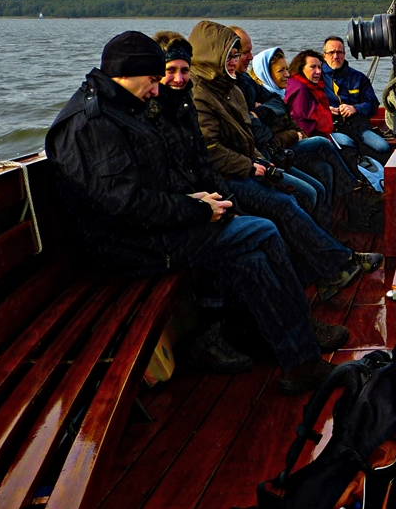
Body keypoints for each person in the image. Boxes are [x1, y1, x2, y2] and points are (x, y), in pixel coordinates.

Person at [45, 31, 339, 395]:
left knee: (252, 258)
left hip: (142, 232)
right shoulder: (95, 125)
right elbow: (125, 204)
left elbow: (145, 185)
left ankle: (297, 357)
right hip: (125, 247)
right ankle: (301, 348)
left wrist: (196, 197)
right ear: (128, 72)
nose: (157, 90)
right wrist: (196, 209)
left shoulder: (118, 110)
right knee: (262, 232)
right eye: (154, 80)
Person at [187, 22, 383, 302]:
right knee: (292, 199)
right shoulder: (203, 94)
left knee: (317, 182)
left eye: (240, 54)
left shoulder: (231, 87)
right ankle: (336, 261)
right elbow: (214, 148)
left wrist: (263, 131)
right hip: (233, 175)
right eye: (232, 55)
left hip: (261, 158)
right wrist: (253, 163)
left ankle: (331, 256)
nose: (240, 60)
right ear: (213, 56)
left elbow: (271, 118)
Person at [248, 44, 361, 229]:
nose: (287, 74)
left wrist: (296, 133)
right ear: (266, 73)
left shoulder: (277, 96)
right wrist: (294, 135)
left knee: (325, 169)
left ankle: (326, 228)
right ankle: (353, 186)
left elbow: (296, 127)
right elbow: (273, 140)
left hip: (290, 148)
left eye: (287, 69)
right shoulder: (262, 103)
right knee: (322, 143)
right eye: (281, 70)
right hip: (276, 156)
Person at [322, 36, 392, 156]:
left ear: (344, 54)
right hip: (331, 128)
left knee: (383, 147)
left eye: (339, 52)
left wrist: (355, 109)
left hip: (358, 128)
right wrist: (325, 110)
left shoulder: (359, 78)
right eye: (331, 53)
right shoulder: (317, 78)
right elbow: (307, 106)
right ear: (324, 56)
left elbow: (373, 104)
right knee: (346, 143)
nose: (335, 56)